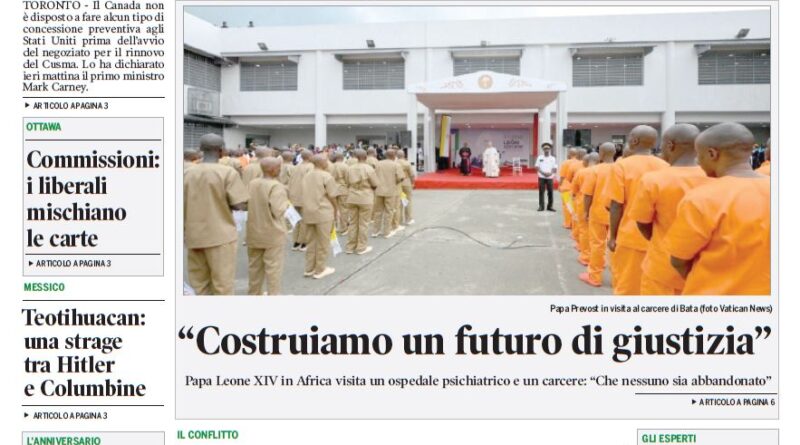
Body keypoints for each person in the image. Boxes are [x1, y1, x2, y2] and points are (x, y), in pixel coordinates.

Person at [664, 122, 770, 295]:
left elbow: (678, 259)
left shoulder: (702, 198)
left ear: (712, 154)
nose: (698, 161)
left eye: (699, 156)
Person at [626, 124, 710, 295]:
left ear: (670, 145)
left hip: (662, 265)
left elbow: (643, 223)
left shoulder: (654, 180)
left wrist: (660, 241)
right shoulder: (713, 177)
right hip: (702, 267)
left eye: (662, 144)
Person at [606, 125, 669, 295]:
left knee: (627, 286)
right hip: (659, 238)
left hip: (630, 237)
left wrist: (612, 236)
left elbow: (616, 204)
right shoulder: (665, 165)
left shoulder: (621, 166)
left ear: (634, 140)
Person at [184, 134, 248, 295]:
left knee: (199, 285)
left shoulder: (186, 173)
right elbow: (240, 204)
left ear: (200, 150)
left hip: (193, 236)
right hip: (220, 236)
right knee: (222, 285)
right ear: (221, 151)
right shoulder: (227, 173)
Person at [246, 157, 290, 295]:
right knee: (273, 268)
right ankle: (273, 295)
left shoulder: (252, 183)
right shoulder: (276, 186)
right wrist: (287, 204)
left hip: (254, 231)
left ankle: (254, 294)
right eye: (279, 167)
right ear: (273, 170)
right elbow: (278, 210)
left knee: (254, 267)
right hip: (272, 233)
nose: (280, 169)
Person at [578, 142, 616, 287]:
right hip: (617, 215)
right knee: (615, 246)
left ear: (600, 153)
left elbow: (587, 194)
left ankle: (595, 276)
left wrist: (586, 211)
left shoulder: (594, 170)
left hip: (598, 213)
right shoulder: (622, 168)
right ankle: (617, 278)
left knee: (597, 244)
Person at [300, 154, 339, 279]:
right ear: (321, 162)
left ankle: (309, 268)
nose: (327, 162)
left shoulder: (306, 176)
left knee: (311, 242)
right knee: (323, 242)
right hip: (323, 212)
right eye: (325, 160)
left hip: (308, 212)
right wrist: (336, 209)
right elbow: (332, 195)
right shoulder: (326, 176)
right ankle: (320, 269)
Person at [346, 149, 379, 254]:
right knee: (363, 223)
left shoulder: (349, 169)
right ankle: (361, 247)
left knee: (353, 223)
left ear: (356, 157)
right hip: (365, 197)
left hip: (351, 197)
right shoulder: (369, 169)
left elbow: (347, 182)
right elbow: (375, 184)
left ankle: (350, 247)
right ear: (366, 157)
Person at [572, 151, 597, 266]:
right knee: (599, 236)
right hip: (602, 206)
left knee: (584, 230)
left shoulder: (582, 172)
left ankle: (586, 256)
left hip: (583, 203)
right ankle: (599, 259)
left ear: (585, 161)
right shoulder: (607, 171)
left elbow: (575, 189)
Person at [372, 148, 405, 238]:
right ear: (394, 156)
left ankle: (375, 231)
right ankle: (387, 231)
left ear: (385, 155)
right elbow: (401, 177)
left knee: (378, 211)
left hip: (379, 191)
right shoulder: (396, 165)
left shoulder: (378, 164)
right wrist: (395, 183)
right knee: (389, 211)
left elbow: (373, 176)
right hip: (391, 191)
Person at [287, 150, 314, 251]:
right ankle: (304, 243)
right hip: (305, 197)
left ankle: (296, 242)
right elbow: (312, 183)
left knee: (296, 220)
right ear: (310, 156)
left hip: (294, 196)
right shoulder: (310, 167)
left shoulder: (296, 166)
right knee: (305, 221)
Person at [558, 148, 580, 227]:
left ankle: (568, 223)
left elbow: (562, 176)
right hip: (577, 188)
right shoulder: (580, 163)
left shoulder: (566, 163)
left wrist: (560, 185)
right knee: (575, 206)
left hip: (566, 187)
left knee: (567, 206)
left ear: (569, 154)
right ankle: (574, 224)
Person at [534, 142, 557, 211]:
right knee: (541, 192)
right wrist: (543, 173)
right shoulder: (540, 157)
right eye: (545, 148)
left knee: (550, 192)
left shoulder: (553, 158)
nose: (546, 150)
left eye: (548, 148)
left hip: (550, 177)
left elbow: (555, 168)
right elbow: (537, 167)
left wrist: (550, 173)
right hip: (541, 177)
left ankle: (550, 206)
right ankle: (541, 206)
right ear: (543, 150)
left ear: (550, 149)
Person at [332, 152, 351, 234]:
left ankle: (335, 226)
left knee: (334, 209)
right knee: (344, 209)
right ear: (342, 158)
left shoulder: (330, 166)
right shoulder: (345, 166)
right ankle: (344, 227)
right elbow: (348, 179)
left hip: (332, 189)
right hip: (343, 189)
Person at [397, 149, 416, 225]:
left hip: (397, 184)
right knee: (407, 201)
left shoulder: (394, 163)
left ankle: (399, 220)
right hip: (406, 183)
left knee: (399, 202)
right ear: (404, 155)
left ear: (397, 155)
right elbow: (412, 175)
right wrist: (413, 183)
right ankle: (408, 219)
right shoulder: (407, 163)